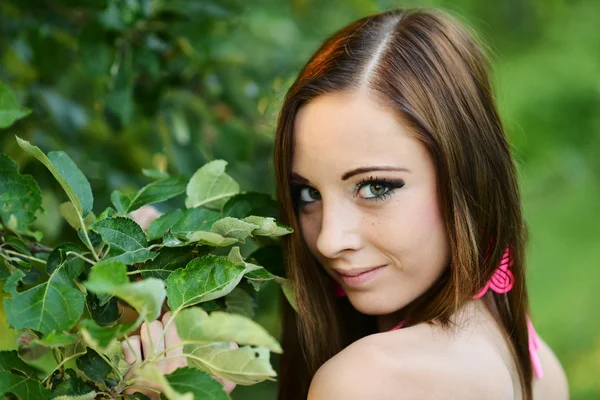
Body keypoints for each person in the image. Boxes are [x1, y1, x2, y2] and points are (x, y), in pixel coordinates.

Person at [273, 7, 568, 400]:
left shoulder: (365, 382)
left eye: (375, 187)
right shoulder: (539, 367)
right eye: (307, 194)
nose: (329, 240)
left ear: (467, 178)